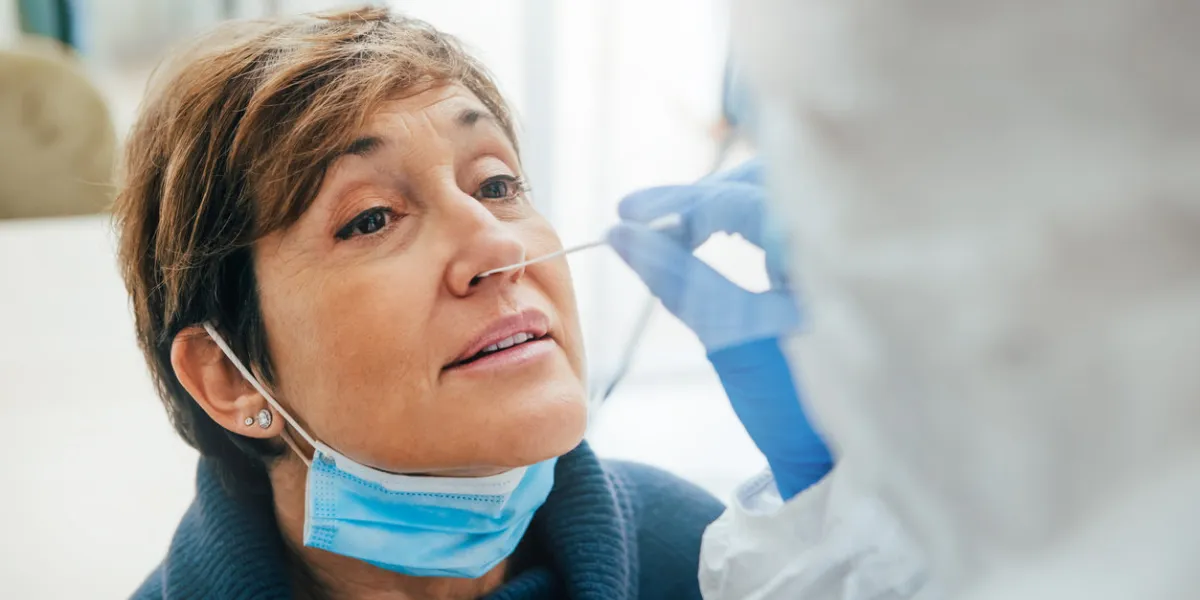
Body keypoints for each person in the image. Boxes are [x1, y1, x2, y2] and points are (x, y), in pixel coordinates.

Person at [113, 7, 723, 599]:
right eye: (371, 219)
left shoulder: (705, 559)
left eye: (497, 185)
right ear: (228, 376)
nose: (499, 245)